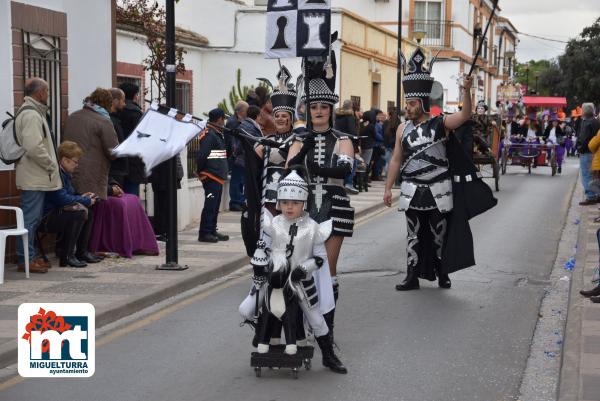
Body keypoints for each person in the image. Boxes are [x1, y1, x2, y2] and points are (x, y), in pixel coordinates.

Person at [384, 48, 481, 291]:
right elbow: (396, 159)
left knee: (440, 235)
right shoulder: (401, 129)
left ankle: (443, 272)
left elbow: (465, 114)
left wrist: (466, 91)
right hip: (411, 189)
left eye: (412, 103)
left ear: (423, 103)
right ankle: (411, 275)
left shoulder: (441, 124)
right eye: (407, 103)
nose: (408, 107)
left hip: (438, 188)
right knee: (413, 235)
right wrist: (387, 188)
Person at [286, 53, 355, 343]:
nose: (318, 111)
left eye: (323, 107)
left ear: (331, 110)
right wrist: (301, 152)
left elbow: (345, 168)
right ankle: (302, 326)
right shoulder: (300, 139)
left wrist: (317, 167)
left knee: (327, 268)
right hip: (304, 210)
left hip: (333, 206)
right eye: (313, 106)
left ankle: (328, 332)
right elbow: (290, 171)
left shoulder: (343, 139)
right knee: (298, 267)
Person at [250, 170, 346, 373]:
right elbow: (263, 249)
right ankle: (264, 338)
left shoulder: (313, 228)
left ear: (303, 202)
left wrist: (304, 269)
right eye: (284, 202)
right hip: (276, 281)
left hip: (302, 283)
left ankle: (329, 357)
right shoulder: (273, 224)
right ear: (279, 203)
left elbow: (320, 259)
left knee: (317, 321)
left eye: (294, 202)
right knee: (259, 310)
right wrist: (261, 265)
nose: (289, 207)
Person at [63, 87, 119, 263]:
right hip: (91, 173)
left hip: (70, 168)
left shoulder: (74, 116)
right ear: (107, 103)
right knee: (89, 211)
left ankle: (65, 250)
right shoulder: (103, 121)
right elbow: (113, 150)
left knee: (74, 208)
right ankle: (82, 251)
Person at [14, 77, 61, 273]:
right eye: (47, 91)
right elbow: (33, 146)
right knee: (29, 221)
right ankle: (26, 260)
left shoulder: (31, 112)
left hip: (35, 175)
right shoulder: (32, 115)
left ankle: (29, 257)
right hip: (35, 176)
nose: (48, 95)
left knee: (31, 220)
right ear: (40, 92)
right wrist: (51, 165)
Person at [42, 141, 96, 268]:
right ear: (65, 160)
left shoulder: (64, 173)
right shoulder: (57, 174)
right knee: (79, 214)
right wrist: (86, 200)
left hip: (57, 213)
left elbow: (67, 195)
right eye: (75, 162)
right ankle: (67, 256)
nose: (77, 165)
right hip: (47, 218)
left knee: (89, 213)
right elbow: (61, 198)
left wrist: (82, 197)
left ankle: (81, 252)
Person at [196, 108, 229, 243]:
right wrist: (200, 171)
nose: (224, 121)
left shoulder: (216, 133)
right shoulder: (209, 134)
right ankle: (204, 233)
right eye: (223, 119)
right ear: (220, 119)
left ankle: (212, 230)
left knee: (215, 206)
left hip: (217, 176)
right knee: (210, 205)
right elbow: (203, 154)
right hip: (211, 176)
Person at [117, 82, 146, 196]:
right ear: (134, 96)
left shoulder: (115, 111)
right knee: (131, 197)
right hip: (133, 162)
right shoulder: (136, 113)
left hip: (117, 160)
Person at [227, 101, 249, 211]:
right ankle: (235, 202)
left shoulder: (238, 121)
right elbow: (231, 140)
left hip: (240, 156)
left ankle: (239, 201)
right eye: (246, 110)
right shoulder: (233, 122)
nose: (247, 112)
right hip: (236, 157)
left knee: (240, 180)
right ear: (240, 111)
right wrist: (234, 153)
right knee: (236, 180)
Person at [577, 103, 600, 205]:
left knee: (586, 175)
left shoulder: (585, 122)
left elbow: (584, 138)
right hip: (595, 152)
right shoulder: (596, 121)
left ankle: (590, 196)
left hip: (586, 152)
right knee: (594, 175)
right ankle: (596, 194)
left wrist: (579, 148)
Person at [335, 100, 359, 194]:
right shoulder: (349, 117)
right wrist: (357, 140)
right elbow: (352, 131)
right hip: (349, 142)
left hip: (338, 141)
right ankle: (349, 183)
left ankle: (341, 183)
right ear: (351, 106)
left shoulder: (337, 116)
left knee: (340, 161)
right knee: (352, 162)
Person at [108, 88, 129, 188]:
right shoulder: (110, 120)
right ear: (115, 101)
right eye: (123, 101)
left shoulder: (115, 118)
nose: (124, 104)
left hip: (117, 169)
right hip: (115, 171)